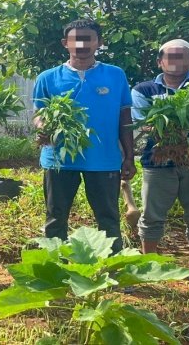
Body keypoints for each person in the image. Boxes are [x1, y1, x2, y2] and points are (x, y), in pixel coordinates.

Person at [32, 18, 135, 252]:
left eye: (88, 39)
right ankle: (56, 265)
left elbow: (125, 118)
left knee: (108, 217)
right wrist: (43, 127)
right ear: (65, 43)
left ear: (99, 42)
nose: (81, 44)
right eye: (76, 39)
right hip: (59, 159)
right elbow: (39, 113)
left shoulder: (115, 75)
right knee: (56, 216)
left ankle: (112, 265)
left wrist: (129, 156)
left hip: (104, 159)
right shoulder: (48, 77)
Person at [132, 39, 189, 285]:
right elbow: (144, 122)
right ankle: (149, 268)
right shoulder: (143, 90)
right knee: (151, 216)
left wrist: (167, 121)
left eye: (181, 56)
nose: (175, 61)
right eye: (169, 56)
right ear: (159, 62)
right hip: (158, 161)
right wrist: (176, 127)